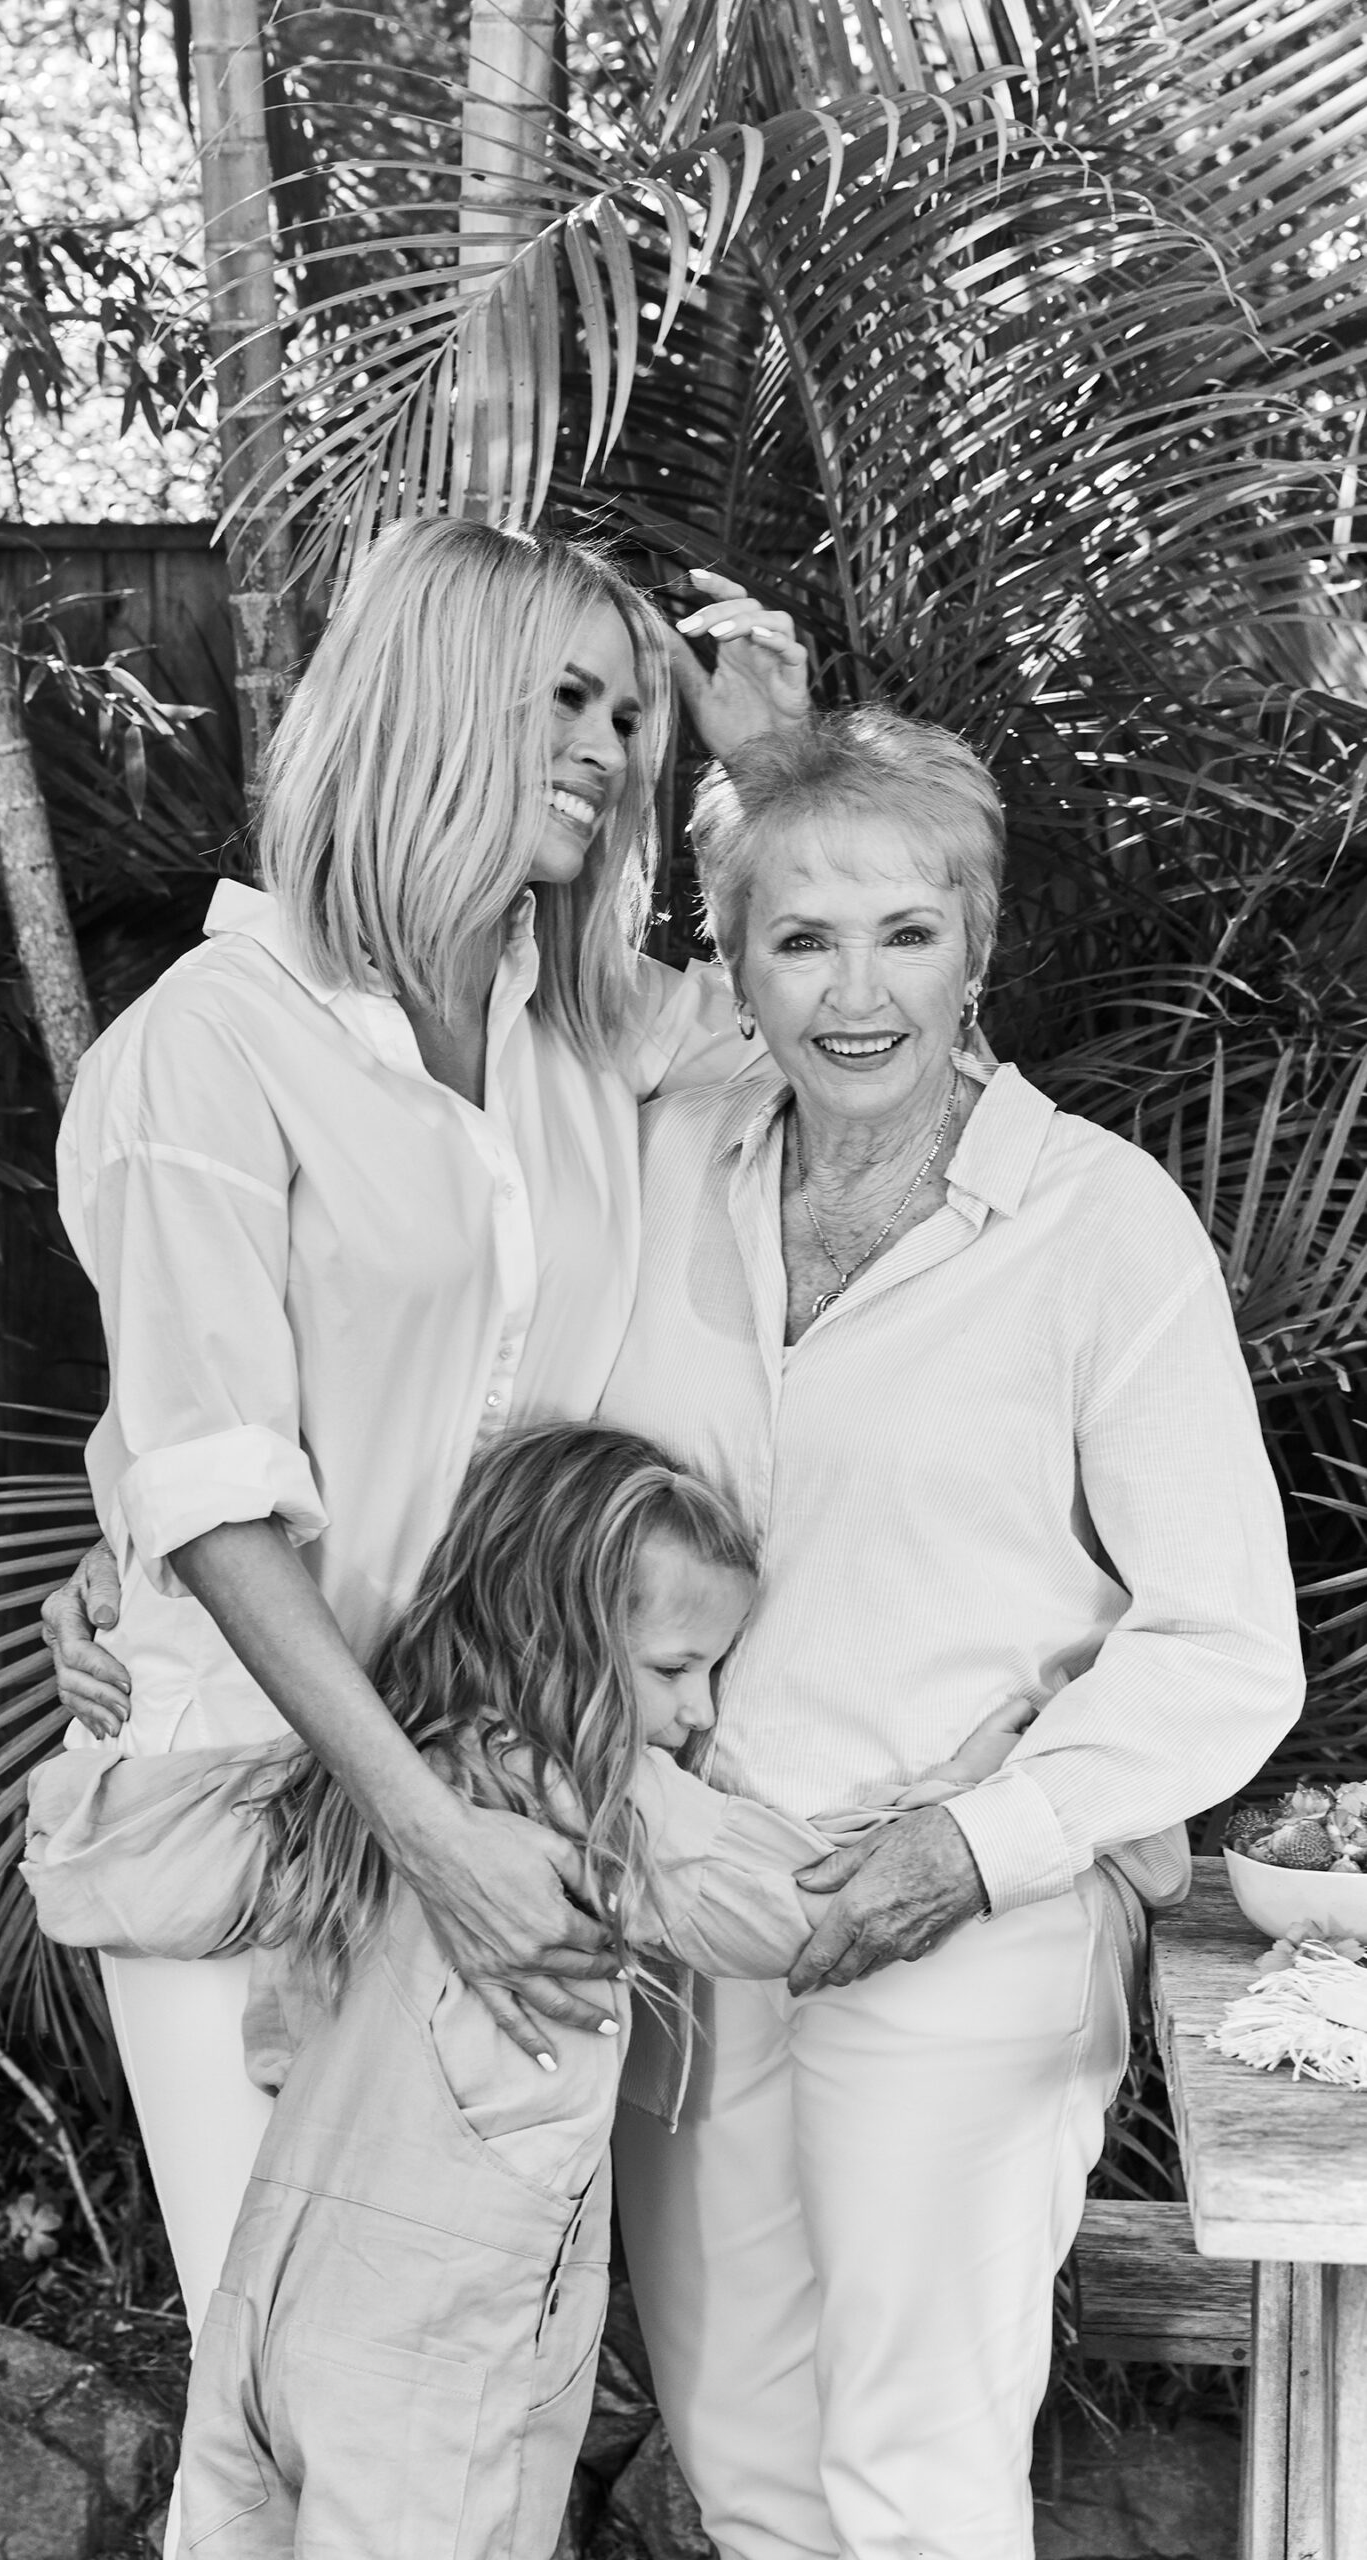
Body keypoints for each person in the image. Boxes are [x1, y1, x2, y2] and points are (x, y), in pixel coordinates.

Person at [46, 515, 810, 2344]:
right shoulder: (204, 1049)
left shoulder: (581, 1028)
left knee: (452, 2398)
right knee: (294, 2387)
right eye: (564, 697)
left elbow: (850, 1020)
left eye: (628, 715)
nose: (612, 749)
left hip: (510, 1791)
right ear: (431, 700)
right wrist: (426, 1835)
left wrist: (767, 762)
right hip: (260, 1799)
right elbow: (217, 1490)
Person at [594, 708, 1305, 2560]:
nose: (853, 992)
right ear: (728, 959)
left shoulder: (1093, 1226)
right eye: (798, 938)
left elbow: (1225, 1647)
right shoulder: (664, 1159)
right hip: (687, 1896)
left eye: (905, 932)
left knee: (912, 2478)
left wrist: (963, 1852)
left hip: (957, 1916)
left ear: (978, 947)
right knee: (740, 2452)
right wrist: (144, 1532)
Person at [22, 1423, 1041, 2560]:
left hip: (273, 2306)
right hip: (445, 2346)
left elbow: (90, 1866)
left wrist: (134, 1635)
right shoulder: (609, 1808)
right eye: (672, 1669)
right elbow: (805, 1911)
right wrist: (960, 1802)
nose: (700, 1713)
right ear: (550, 1632)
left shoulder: (360, 1782)